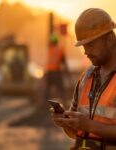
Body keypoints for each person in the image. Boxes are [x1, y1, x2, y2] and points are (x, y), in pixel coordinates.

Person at [50, 8, 116, 150]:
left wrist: (90, 125)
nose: (86, 52)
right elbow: (77, 133)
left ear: (110, 40)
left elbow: (88, 126)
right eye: (84, 46)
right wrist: (65, 123)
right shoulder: (87, 76)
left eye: (91, 44)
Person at [45, 34, 68, 103]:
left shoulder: (50, 49)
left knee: (48, 88)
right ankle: (64, 101)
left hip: (49, 72)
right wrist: (67, 72)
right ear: (56, 42)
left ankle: (46, 102)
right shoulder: (59, 50)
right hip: (56, 72)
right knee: (61, 88)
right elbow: (63, 62)